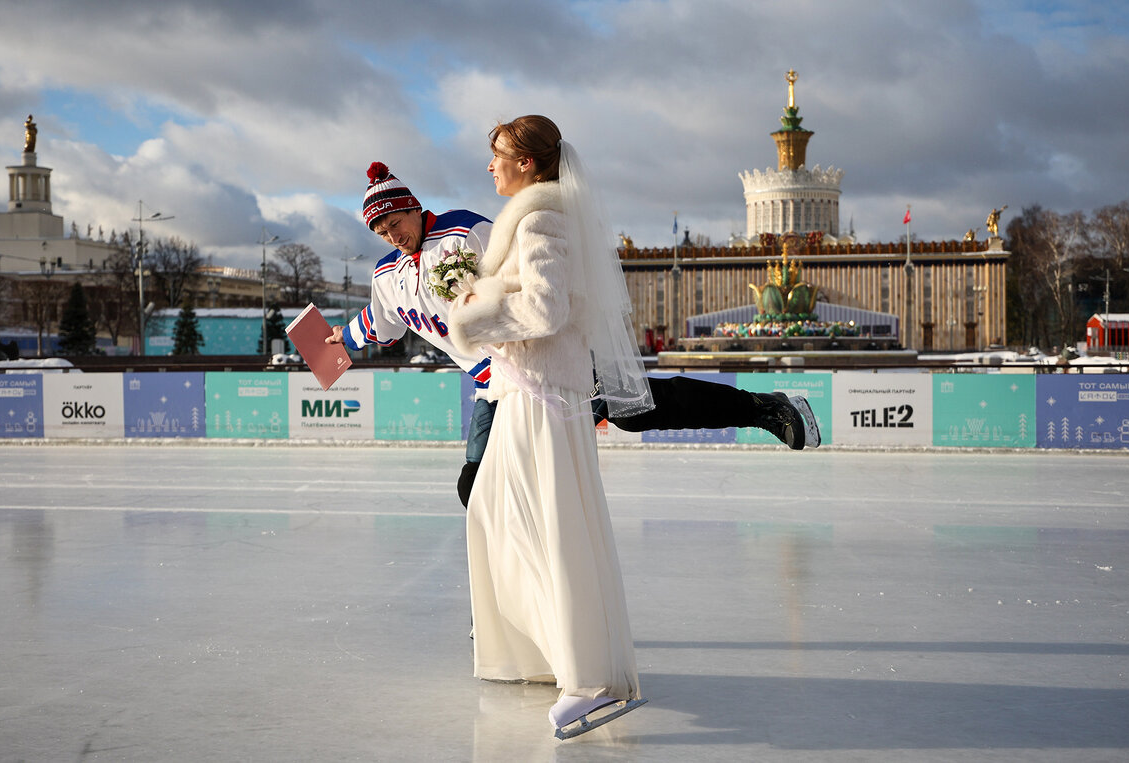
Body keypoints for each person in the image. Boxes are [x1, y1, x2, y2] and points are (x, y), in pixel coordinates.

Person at [329, 166, 821, 508]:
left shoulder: (466, 232)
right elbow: (380, 323)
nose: (393, 235)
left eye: (396, 222)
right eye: (382, 231)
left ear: (414, 208)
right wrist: (341, 338)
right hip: (495, 386)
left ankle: (765, 408)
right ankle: (513, 604)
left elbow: (528, 278)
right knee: (475, 488)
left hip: (545, 360)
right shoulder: (386, 275)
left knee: (636, 410)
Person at [448, 115, 646, 738]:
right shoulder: (536, 219)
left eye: (499, 155)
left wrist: (473, 317)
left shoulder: (542, 220)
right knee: (499, 517)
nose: (491, 166)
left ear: (528, 163)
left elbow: (545, 308)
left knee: (550, 531)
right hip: (527, 392)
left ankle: (587, 678)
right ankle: (547, 655)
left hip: (541, 399)